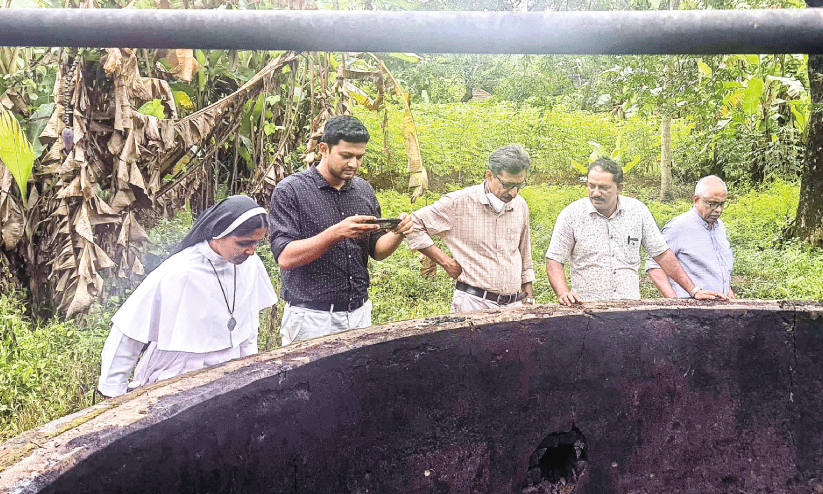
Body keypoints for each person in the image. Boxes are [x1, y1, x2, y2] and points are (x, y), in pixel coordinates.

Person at [97, 196, 277, 398]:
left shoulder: (250, 265)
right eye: (244, 242)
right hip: (178, 378)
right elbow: (127, 333)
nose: (251, 251)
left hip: (231, 376)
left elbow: (248, 327)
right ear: (219, 233)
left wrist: (248, 372)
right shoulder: (179, 271)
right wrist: (112, 393)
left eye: (256, 243)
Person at [269, 115, 412, 345]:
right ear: (324, 149)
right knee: (310, 381)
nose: (354, 164)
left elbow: (377, 251)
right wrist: (336, 233)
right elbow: (285, 257)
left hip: (358, 313)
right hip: (311, 318)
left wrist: (398, 233)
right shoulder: (291, 191)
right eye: (346, 156)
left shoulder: (363, 190)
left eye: (359, 157)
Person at [545, 158, 728, 306]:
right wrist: (563, 292)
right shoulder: (571, 215)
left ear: (620, 188)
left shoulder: (637, 211)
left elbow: (662, 254)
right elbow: (555, 259)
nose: (596, 192)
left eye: (604, 188)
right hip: (587, 308)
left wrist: (693, 290)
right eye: (591, 186)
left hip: (630, 308)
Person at [405, 144, 535, 313]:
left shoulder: (520, 205)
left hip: (514, 304)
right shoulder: (459, 202)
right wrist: (445, 261)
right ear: (490, 175)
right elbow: (413, 223)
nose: (514, 192)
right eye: (508, 185)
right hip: (473, 304)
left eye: (519, 185)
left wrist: (529, 300)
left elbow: (524, 254)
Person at [645, 175, 734, 298]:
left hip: (720, 308)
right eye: (712, 204)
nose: (718, 210)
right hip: (691, 309)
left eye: (722, 204)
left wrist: (727, 289)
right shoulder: (679, 227)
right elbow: (654, 264)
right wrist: (673, 299)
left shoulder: (720, 227)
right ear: (696, 200)